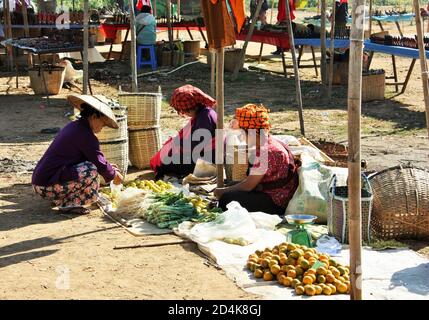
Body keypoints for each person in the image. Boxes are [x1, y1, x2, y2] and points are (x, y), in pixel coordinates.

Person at [32, 95, 124, 215]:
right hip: (45, 186)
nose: (102, 127)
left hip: (42, 182)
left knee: (91, 168)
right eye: (103, 123)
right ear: (94, 117)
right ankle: (69, 204)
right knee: (91, 170)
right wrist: (114, 175)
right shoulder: (85, 135)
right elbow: (98, 163)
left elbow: (92, 158)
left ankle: (64, 198)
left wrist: (110, 168)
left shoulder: (75, 126)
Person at [214, 104, 299, 215]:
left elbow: (248, 186)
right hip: (276, 193)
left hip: (276, 201)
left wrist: (222, 191)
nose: (241, 138)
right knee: (232, 190)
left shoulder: (266, 152)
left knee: (227, 199)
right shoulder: (268, 142)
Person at [150, 85, 217, 179]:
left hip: (208, 160)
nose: (185, 114)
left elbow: (197, 145)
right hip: (204, 154)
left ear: (191, 108)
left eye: (184, 111)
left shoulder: (205, 117)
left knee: (166, 163)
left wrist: (178, 145)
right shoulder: (204, 112)